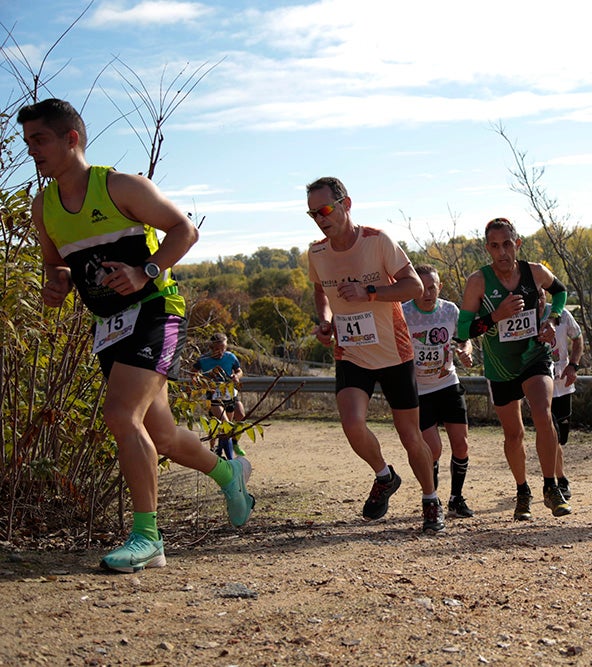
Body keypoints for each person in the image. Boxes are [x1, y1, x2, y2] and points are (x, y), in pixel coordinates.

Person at [18, 98, 254, 573]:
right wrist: (57, 284)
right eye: (27, 144)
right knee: (160, 434)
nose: (32, 152)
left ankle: (148, 538)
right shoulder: (43, 205)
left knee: (121, 414)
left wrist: (145, 272)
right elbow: (56, 262)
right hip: (109, 326)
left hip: (155, 309)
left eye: (39, 140)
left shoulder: (120, 186)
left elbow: (183, 231)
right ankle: (229, 473)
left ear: (72, 139)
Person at [305, 177, 443, 533]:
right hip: (351, 353)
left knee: (411, 437)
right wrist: (325, 321)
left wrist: (368, 291)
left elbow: (413, 286)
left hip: (393, 352)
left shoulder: (377, 241)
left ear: (345, 204)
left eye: (324, 210)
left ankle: (431, 500)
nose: (319, 218)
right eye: (312, 213)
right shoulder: (317, 253)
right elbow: (321, 291)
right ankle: (384, 476)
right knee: (352, 424)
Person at [456, 217, 572, 520]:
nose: (502, 252)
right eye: (495, 246)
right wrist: (496, 316)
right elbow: (464, 329)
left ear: (517, 243)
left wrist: (552, 320)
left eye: (507, 244)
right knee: (513, 434)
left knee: (543, 413)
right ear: (487, 249)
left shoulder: (534, 272)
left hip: (534, 356)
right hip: (500, 367)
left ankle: (551, 487)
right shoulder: (478, 281)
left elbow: (560, 293)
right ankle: (523, 490)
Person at [402, 265, 476, 518]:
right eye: (421, 288)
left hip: (448, 383)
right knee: (432, 449)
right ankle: (432, 500)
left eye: (432, 287)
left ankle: (456, 498)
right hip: (419, 391)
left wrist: (466, 351)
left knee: (461, 445)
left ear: (439, 287)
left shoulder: (450, 310)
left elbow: (465, 338)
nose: (427, 293)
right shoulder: (403, 313)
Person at [192, 332, 246, 460]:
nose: (220, 352)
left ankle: (234, 443)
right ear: (211, 348)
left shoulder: (231, 357)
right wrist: (196, 380)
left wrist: (236, 376)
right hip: (213, 394)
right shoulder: (203, 360)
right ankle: (217, 450)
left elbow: (239, 370)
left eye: (223, 348)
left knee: (240, 416)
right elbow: (193, 372)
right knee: (221, 423)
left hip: (230, 392)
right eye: (217, 349)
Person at [549, 307, 583, 500]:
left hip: (563, 384)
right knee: (551, 434)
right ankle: (560, 480)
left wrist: (574, 365)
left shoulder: (561, 315)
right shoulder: (523, 316)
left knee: (561, 438)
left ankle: (557, 476)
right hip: (539, 386)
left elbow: (578, 338)